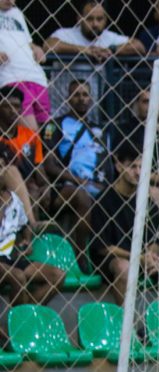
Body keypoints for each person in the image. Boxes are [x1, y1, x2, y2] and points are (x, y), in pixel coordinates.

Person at [90, 145, 159, 304]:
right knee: (124, 269)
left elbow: (157, 236)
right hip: (117, 259)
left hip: (145, 259)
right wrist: (138, 258)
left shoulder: (145, 199)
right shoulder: (103, 199)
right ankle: (126, 325)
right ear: (118, 166)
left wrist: (151, 256)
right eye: (132, 166)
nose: (137, 172)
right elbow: (103, 247)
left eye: (141, 167)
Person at [41, 80, 109, 253]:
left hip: (97, 185)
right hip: (65, 186)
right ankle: (80, 255)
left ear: (91, 99)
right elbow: (49, 165)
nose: (81, 99)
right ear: (68, 99)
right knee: (82, 196)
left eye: (85, 94)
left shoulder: (100, 130)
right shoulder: (55, 125)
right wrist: (79, 181)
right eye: (76, 94)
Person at [0, 144, 63, 305]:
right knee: (18, 276)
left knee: (58, 275)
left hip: (7, 259)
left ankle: (24, 316)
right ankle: (17, 326)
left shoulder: (14, 200)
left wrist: (26, 240)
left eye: (2, 167)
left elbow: (24, 225)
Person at [0, 0, 49, 131]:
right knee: (30, 133)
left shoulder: (17, 13)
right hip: (11, 77)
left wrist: (36, 48)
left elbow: (28, 41)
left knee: (47, 133)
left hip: (37, 77)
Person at [44, 1, 145, 61]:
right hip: (64, 94)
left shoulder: (109, 37)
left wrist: (111, 50)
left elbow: (139, 46)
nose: (95, 24)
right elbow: (48, 45)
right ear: (79, 19)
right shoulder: (66, 34)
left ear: (106, 20)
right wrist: (85, 50)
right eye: (90, 19)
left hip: (96, 95)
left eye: (99, 19)